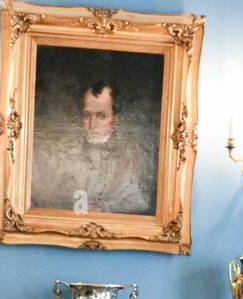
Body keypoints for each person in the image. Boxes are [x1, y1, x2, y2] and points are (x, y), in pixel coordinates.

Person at [31, 80, 153, 215]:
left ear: (114, 121)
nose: (92, 124)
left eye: (101, 116)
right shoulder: (65, 154)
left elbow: (137, 206)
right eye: (87, 115)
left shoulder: (128, 161)